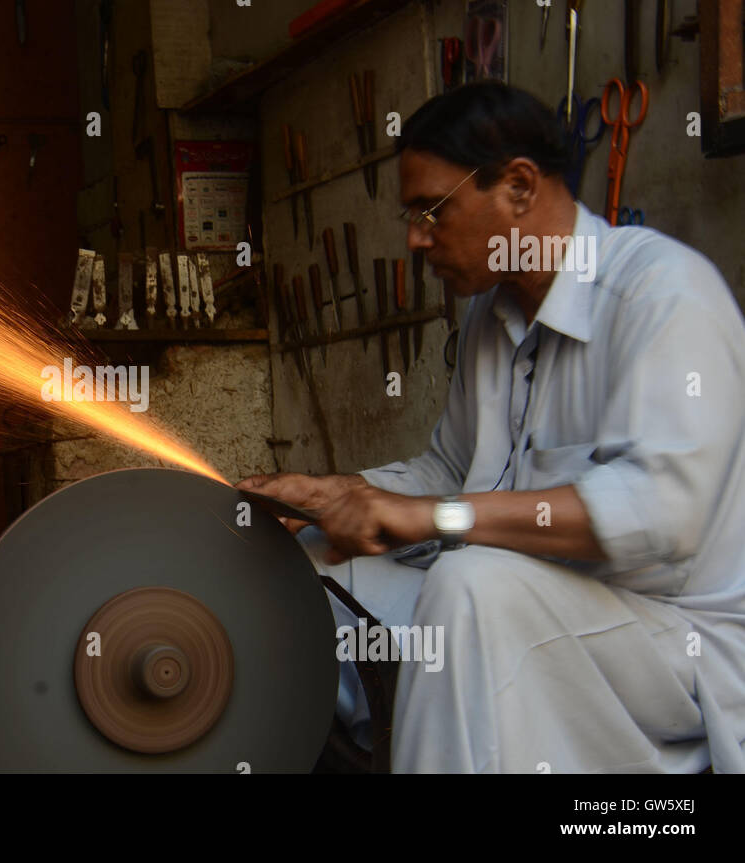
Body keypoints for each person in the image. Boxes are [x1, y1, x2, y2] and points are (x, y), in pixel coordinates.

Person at [239, 82, 745, 773]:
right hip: (533, 601)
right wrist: (333, 494)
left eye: (431, 210)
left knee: (471, 586)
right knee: (313, 567)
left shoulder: (662, 295)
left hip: (674, 644)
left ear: (518, 186)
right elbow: (450, 471)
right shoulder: (491, 315)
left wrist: (432, 517)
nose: (416, 237)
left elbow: (660, 515)